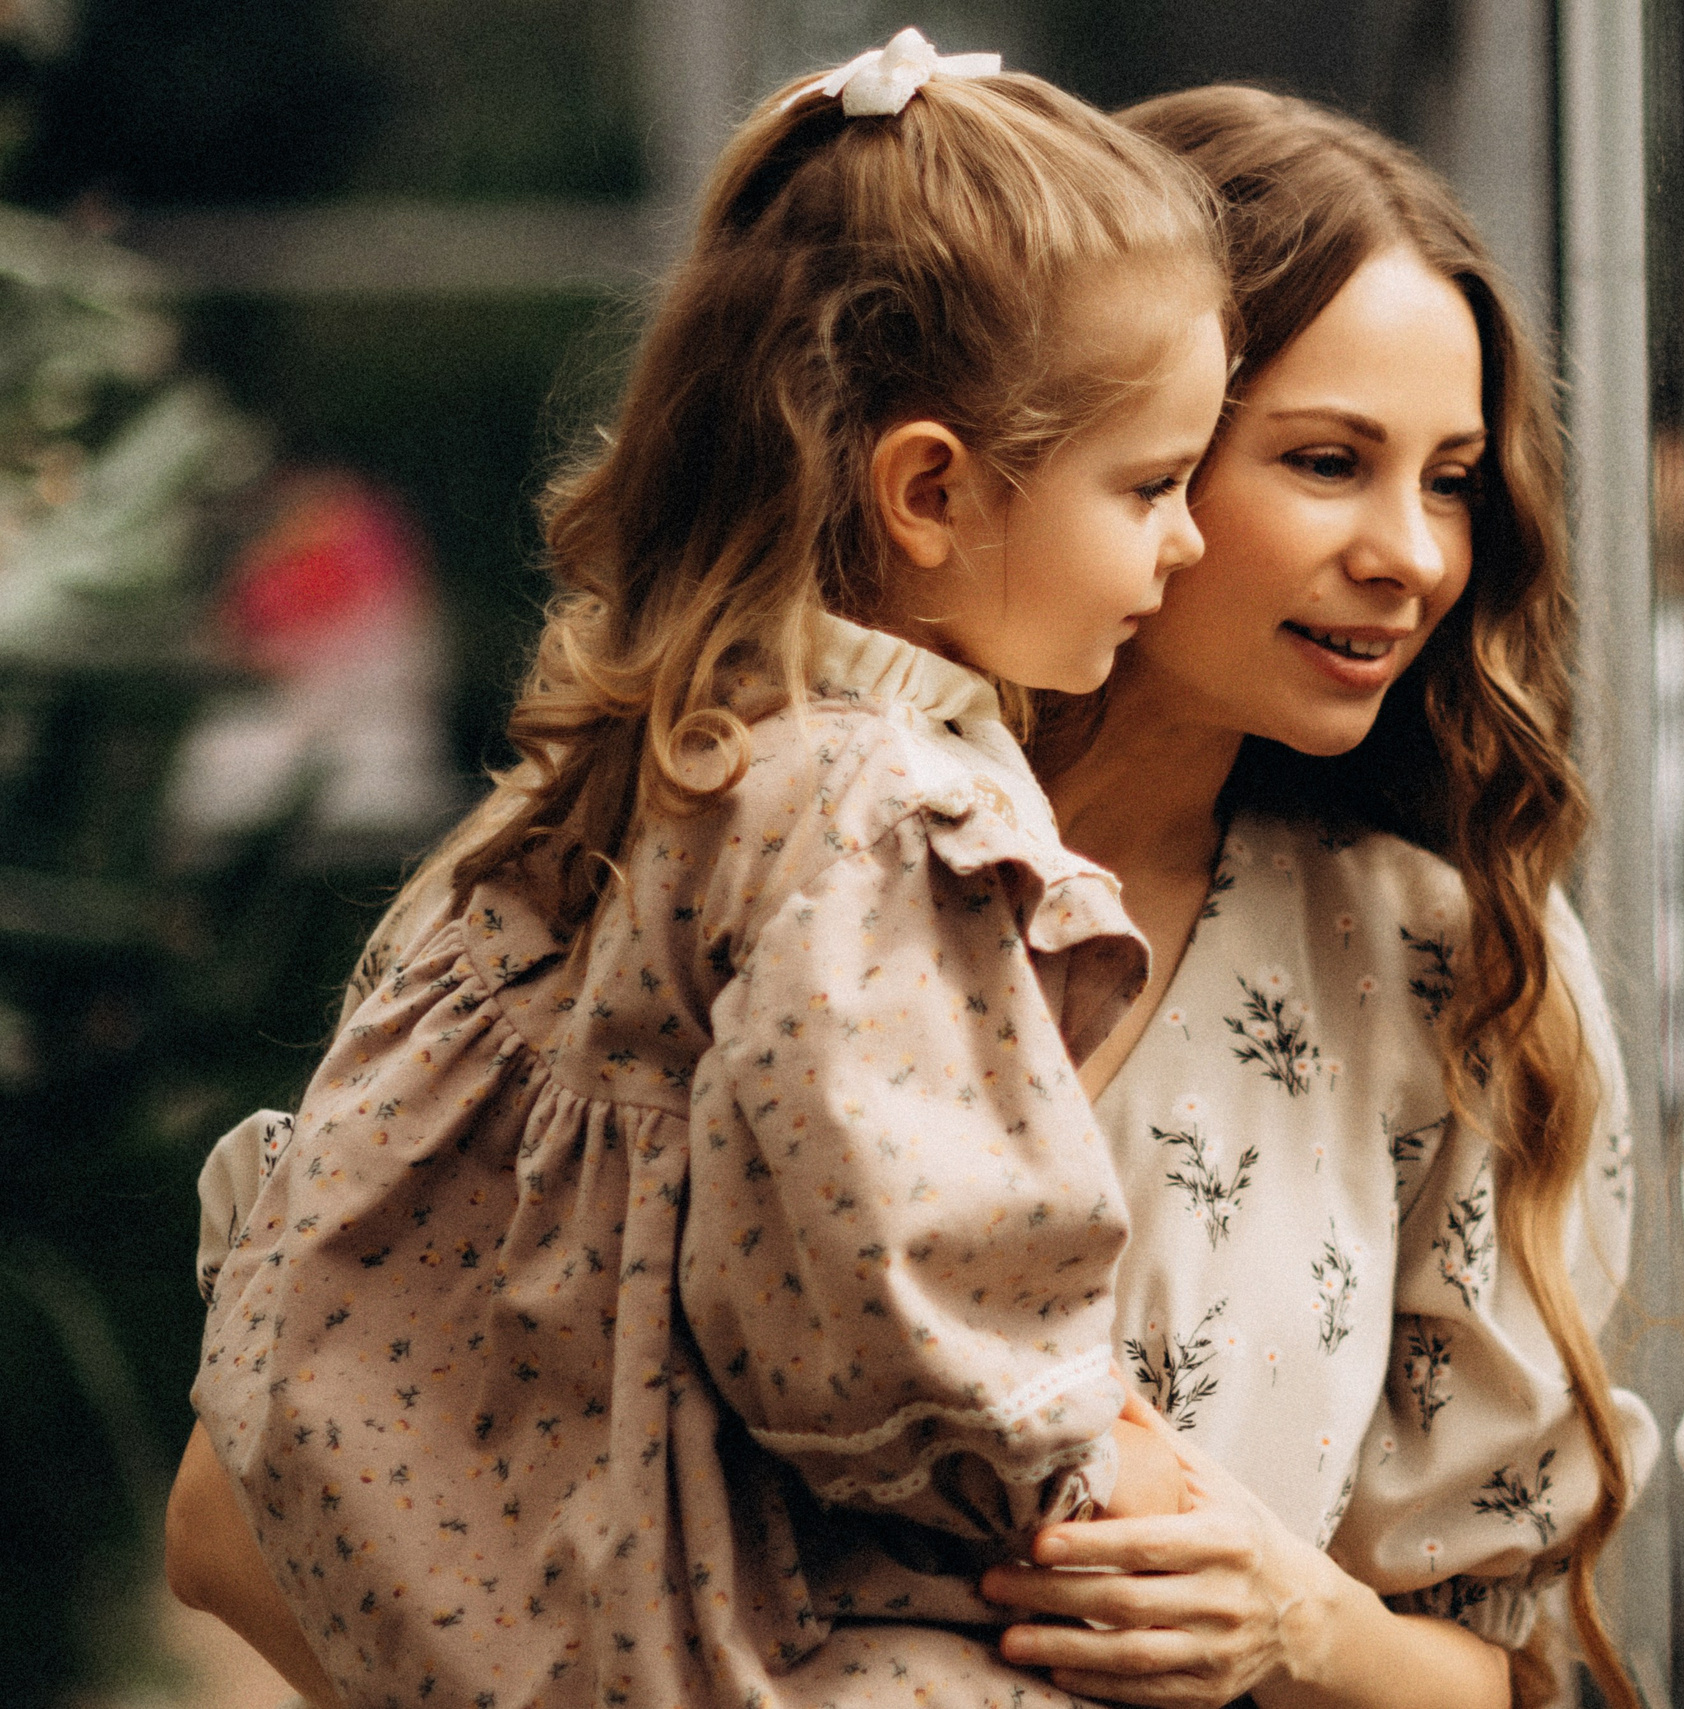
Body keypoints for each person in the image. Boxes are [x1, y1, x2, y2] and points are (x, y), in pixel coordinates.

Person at [168, 30, 1230, 1707]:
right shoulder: (885, 810)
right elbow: (885, 1269)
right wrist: (1070, 1464)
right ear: (933, 489)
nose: (1186, 539)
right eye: (1152, 483)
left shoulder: (667, 757)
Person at [971, 87, 1656, 1709]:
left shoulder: (1449, 966)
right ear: (1119, 440)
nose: (1413, 553)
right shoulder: (776, 867)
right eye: (1331, 461)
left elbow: (1534, 1678)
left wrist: (1300, 1621)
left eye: (1454, 480)